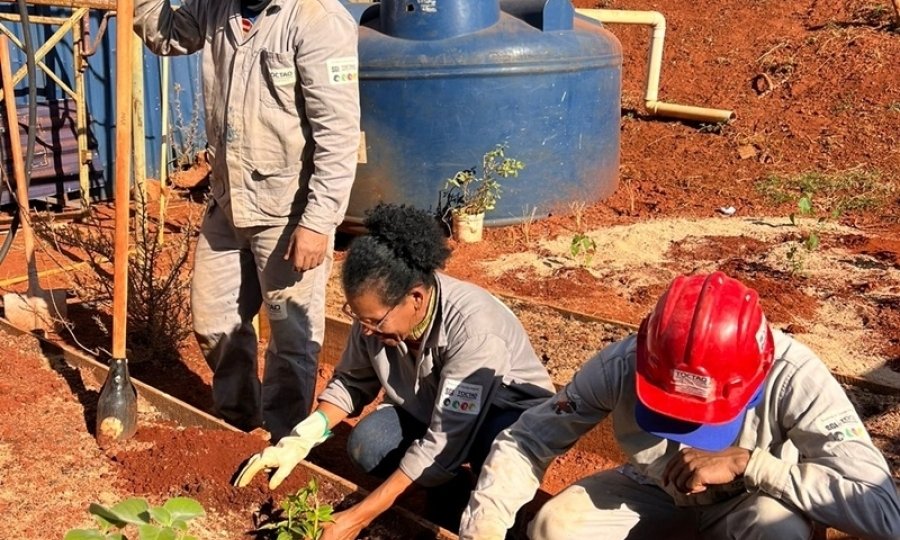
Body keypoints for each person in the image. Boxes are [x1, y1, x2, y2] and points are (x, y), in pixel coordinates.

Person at [459, 271, 900, 540]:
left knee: (776, 529)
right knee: (554, 527)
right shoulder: (624, 362)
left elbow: (885, 515)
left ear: (755, 376)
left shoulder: (794, 374)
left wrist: (753, 464)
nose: (684, 431)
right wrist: (483, 529)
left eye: (701, 422)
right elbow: (527, 439)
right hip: (654, 490)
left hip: (749, 500)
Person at [233, 203, 556, 539]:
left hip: (504, 415)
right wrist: (303, 437)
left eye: (374, 321)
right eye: (359, 318)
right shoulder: (376, 316)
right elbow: (352, 381)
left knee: (497, 449)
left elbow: (444, 442)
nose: (366, 330)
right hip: (437, 408)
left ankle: (508, 518)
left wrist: (356, 518)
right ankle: (450, 489)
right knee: (369, 444)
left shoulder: (475, 331)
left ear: (415, 298)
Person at [134, 0, 361, 440]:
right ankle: (238, 426)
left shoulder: (319, 19)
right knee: (213, 323)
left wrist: (317, 222)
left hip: (285, 212)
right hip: (227, 202)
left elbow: (338, 136)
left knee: (291, 337)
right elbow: (167, 34)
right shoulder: (216, 7)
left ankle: (281, 439)